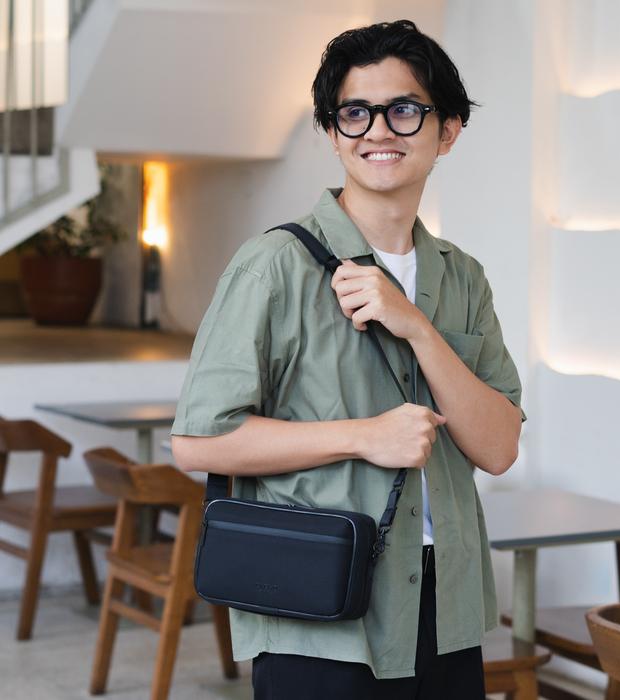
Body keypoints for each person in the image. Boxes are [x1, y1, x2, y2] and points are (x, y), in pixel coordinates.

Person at [172, 19, 525, 700]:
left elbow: (499, 447)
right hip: (319, 608)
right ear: (333, 134)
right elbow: (197, 442)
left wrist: (417, 328)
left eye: (404, 110)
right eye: (355, 113)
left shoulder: (463, 277)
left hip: (445, 605)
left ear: (448, 131)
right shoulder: (273, 266)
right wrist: (365, 437)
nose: (377, 131)